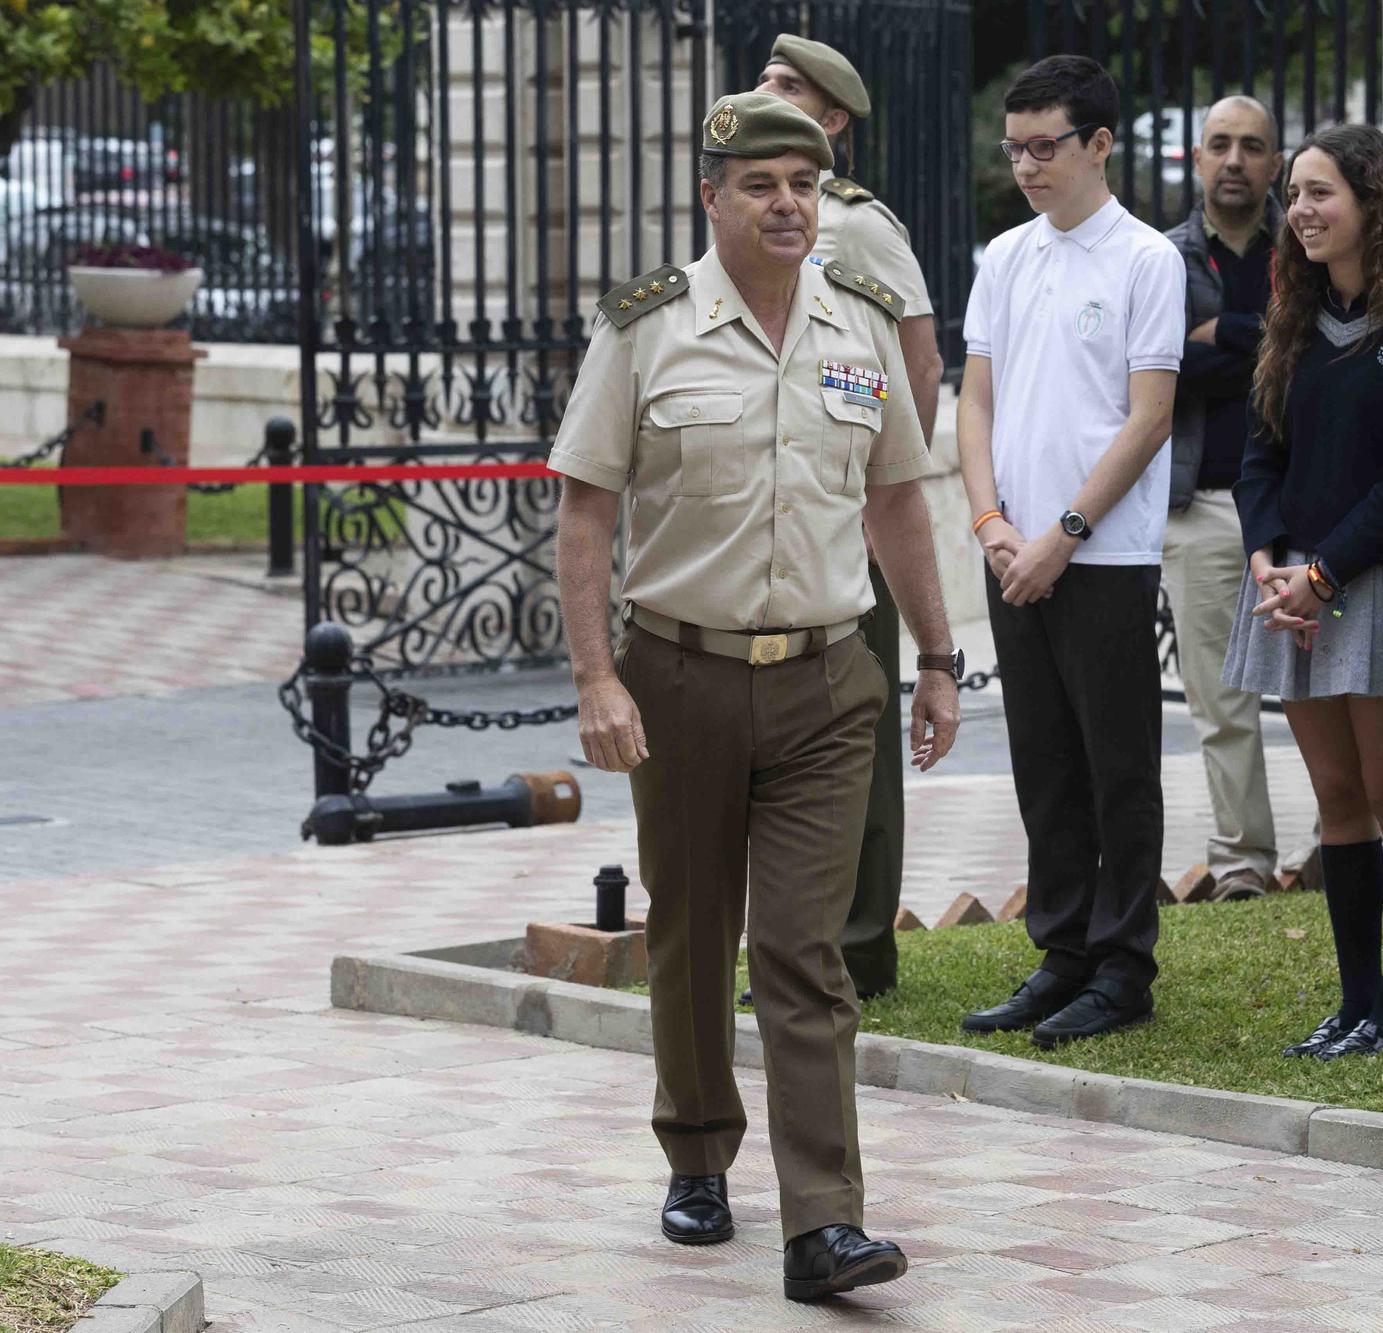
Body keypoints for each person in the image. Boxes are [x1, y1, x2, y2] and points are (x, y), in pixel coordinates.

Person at [549, 92, 963, 1301]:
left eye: (804, 184)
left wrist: (935, 657)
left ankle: (824, 1223)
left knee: (803, 950)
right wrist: (594, 678)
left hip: (831, 680)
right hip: (676, 675)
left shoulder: (860, 325)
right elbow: (585, 513)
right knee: (690, 932)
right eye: (761, 185)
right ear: (711, 199)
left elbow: (896, 499)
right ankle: (695, 1151)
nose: (787, 205)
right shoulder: (647, 330)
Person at [1226, 123, 1383, 1060]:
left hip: (1382, 586)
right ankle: (1355, 1000)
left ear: (1375, 201)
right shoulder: (1290, 321)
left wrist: (1326, 571)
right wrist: (1267, 557)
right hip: (1291, 588)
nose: (1301, 209)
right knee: (1335, 800)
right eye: (1296, 194)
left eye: (1321, 192)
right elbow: (1260, 457)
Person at [956, 54, 1184, 1048]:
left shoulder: (1144, 260)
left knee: (1115, 762)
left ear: (1098, 144)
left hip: (1100, 555)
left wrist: (1063, 534)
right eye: (1013, 149)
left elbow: (1146, 419)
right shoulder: (1004, 257)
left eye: (1043, 147)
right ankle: (1061, 948)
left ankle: (1122, 961)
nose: (1025, 166)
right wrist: (992, 524)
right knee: (1041, 759)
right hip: (1012, 551)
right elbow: (974, 399)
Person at [755, 32, 945, 997]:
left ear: (833, 122)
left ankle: (859, 945)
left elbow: (917, 363)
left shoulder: (859, 226)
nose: (766, 89)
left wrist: (878, 499)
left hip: (849, 525)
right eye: (766, 78)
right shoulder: (752, 211)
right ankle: (785, 939)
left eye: (789, 86)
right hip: (768, 530)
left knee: (856, 740)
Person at [1162, 94, 1286, 901]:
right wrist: (1263, 335)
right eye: (1220, 145)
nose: (1235, 159)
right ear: (1198, 159)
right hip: (1202, 503)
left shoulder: (1310, 243)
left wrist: (1219, 337)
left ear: (1275, 161)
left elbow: (1317, 363)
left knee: (1347, 693)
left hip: (1306, 507)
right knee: (1223, 701)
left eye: (1251, 146)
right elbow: (1155, 372)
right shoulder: (1160, 258)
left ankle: (1369, 842)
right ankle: (1244, 862)